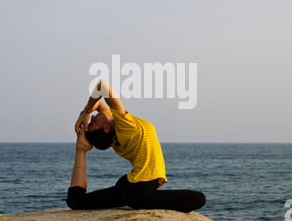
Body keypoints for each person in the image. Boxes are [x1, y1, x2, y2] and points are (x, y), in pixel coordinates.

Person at [66, 79, 206, 213]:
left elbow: (99, 103)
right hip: (139, 189)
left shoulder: (115, 129)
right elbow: (102, 86)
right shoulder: (125, 126)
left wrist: (85, 113)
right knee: (199, 199)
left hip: (131, 188)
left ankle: (81, 150)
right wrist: (87, 112)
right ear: (107, 128)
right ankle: (81, 149)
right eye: (93, 123)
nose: (93, 117)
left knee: (77, 202)